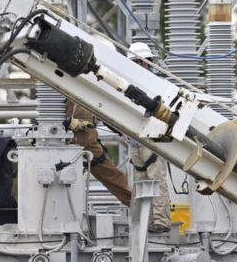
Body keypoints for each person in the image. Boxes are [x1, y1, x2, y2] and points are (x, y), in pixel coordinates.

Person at [126, 42, 172, 233]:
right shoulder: (128, 81)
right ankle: (142, 222)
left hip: (153, 139)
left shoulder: (158, 84)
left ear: (147, 62)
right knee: (140, 183)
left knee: (155, 179)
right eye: (134, 61)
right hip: (135, 138)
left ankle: (160, 221)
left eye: (138, 61)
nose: (137, 65)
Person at [64, 101, 133, 206]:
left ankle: (137, 204)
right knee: (113, 176)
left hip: (81, 145)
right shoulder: (75, 97)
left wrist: (120, 130)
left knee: (113, 176)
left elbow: (101, 112)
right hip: (82, 145)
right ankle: (137, 204)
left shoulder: (78, 96)